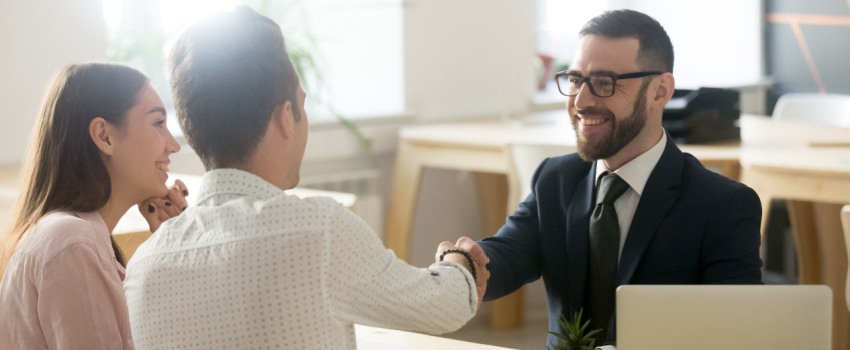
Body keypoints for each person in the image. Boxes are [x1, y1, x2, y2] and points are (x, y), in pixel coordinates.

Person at [122, 6, 488, 350]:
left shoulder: (142, 268)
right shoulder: (319, 230)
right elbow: (443, 305)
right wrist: (458, 260)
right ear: (285, 116)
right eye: (303, 104)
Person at [466, 9, 763, 349]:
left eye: (604, 83)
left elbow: (740, 332)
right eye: (576, 79)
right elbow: (507, 254)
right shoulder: (556, 179)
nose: (580, 101)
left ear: (660, 91)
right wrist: (468, 264)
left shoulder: (721, 205)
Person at [0, 63, 188, 349]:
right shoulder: (73, 243)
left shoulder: (76, 239)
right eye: (158, 124)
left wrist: (166, 249)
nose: (173, 146)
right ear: (104, 136)